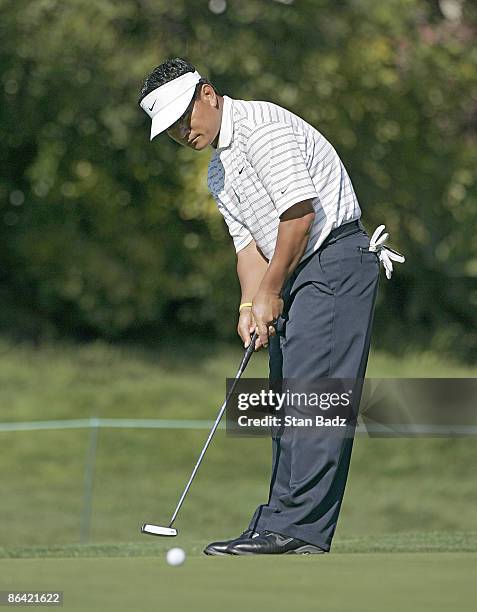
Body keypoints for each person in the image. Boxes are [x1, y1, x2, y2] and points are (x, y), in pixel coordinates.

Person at [138, 58, 404, 556]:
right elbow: (248, 249)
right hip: (300, 271)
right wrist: (248, 302)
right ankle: (276, 523)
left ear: (209, 94)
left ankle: (297, 530)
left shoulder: (263, 128)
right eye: (169, 128)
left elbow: (298, 217)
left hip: (334, 261)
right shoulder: (219, 170)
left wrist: (270, 292)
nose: (180, 132)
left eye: (182, 117)